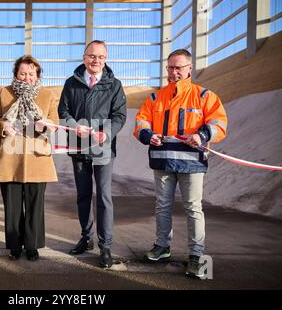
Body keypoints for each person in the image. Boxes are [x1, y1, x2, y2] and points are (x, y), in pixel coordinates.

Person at [134, 49, 228, 278]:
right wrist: (148, 135)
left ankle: (197, 256)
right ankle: (162, 247)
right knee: (162, 206)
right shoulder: (156, 97)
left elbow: (220, 124)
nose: (174, 72)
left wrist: (203, 135)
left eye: (179, 67)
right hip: (162, 161)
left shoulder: (205, 96)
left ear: (189, 69)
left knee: (194, 208)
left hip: (192, 163)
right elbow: (141, 121)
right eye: (170, 68)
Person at [58, 40, 127, 268]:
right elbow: (63, 110)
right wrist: (73, 125)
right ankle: (86, 238)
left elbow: (119, 115)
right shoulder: (71, 83)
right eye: (91, 56)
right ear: (84, 57)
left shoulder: (114, 85)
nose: (95, 60)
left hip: (103, 149)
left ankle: (105, 245)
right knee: (83, 195)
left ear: (105, 60)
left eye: (100, 57)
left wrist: (106, 132)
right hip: (78, 147)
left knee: (104, 197)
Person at [0, 55, 58, 261]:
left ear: (37, 74)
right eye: (22, 73)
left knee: (35, 204)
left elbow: (55, 121)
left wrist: (45, 124)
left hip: (38, 157)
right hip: (11, 157)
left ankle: (32, 246)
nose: (27, 77)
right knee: (12, 205)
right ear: (16, 74)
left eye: (31, 73)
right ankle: (14, 246)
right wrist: (4, 125)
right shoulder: (5, 92)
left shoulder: (47, 95)